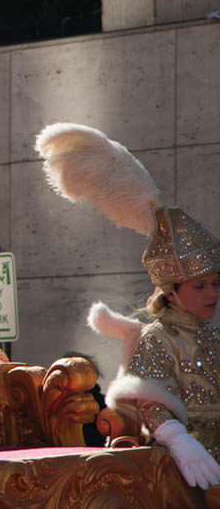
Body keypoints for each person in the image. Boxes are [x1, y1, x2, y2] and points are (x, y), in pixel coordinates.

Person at [37, 122, 220, 490]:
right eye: (199, 285)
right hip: (184, 469)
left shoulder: (213, 332)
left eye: (215, 283)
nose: (211, 293)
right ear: (171, 292)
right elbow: (148, 400)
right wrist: (180, 442)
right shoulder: (157, 337)